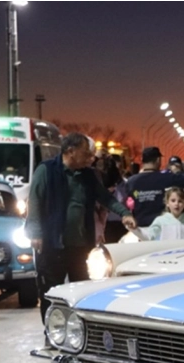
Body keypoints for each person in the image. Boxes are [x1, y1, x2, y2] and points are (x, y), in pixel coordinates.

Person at [25, 133, 137, 339]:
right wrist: (35, 233)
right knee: (51, 293)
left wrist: (125, 213)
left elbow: (105, 198)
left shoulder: (88, 175)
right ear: (71, 152)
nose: (90, 158)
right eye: (86, 154)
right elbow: (35, 201)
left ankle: (82, 336)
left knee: (82, 291)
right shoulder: (46, 171)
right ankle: (53, 335)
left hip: (80, 245)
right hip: (52, 245)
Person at [125, 147, 184, 227]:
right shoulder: (166, 178)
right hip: (162, 227)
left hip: (139, 227)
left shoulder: (131, 181)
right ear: (158, 160)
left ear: (142, 160)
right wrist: (178, 171)